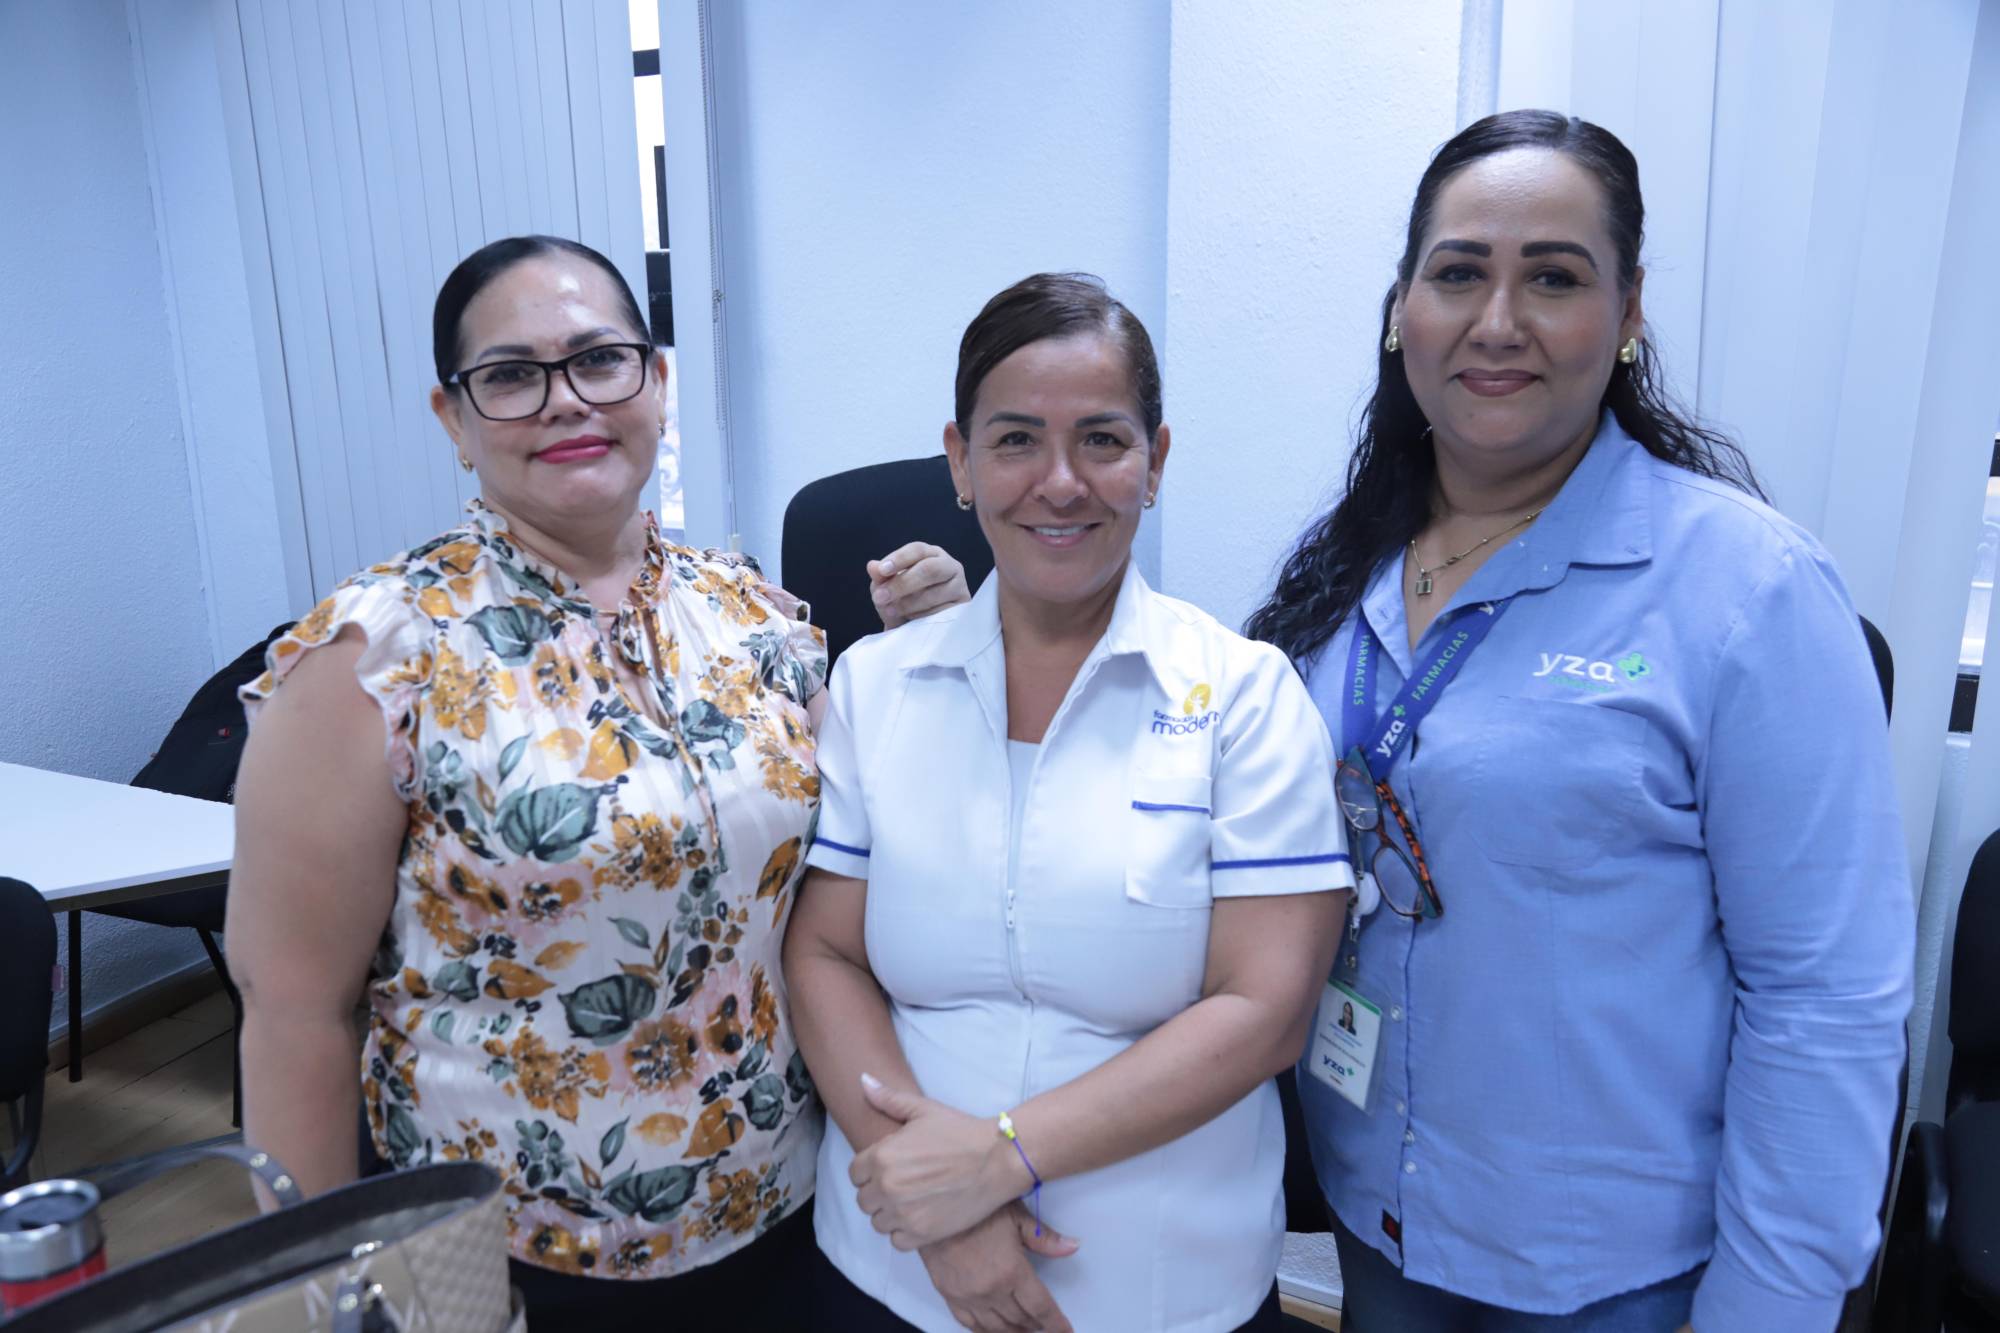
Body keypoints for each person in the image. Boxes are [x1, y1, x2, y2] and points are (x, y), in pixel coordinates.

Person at [1247, 111, 1914, 1331]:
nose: (1496, 321)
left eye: (1552, 277)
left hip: (1622, 1278)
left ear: (1627, 314)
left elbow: (1826, 997)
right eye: (1458, 273)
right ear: (1402, 307)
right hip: (1378, 1226)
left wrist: (1768, 1304)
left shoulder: (1747, 591)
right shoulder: (1345, 568)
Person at [225, 234, 965, 1328]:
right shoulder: (375, 657)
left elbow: (885, 847)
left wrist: (940, 651)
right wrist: (330, 1291)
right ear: (454, 419)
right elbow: (292, 1012)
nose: (564, 400)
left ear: (655, 382)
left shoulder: (752, 618)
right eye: (512, 376)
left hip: (783, 1207)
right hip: (513, 1253)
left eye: (598, 360)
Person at [784, 272, 1354, 1333]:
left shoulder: (1241, 695)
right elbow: (824, 955)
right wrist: (937, 1205)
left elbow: (1264, 1010)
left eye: (1100, 439)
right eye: (1013, 441)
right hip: (893, 1273)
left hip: (1160, 1289)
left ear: (1156, 461)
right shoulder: (875, 685)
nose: (1059, 482)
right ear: (958, 461)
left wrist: (998, 1159)